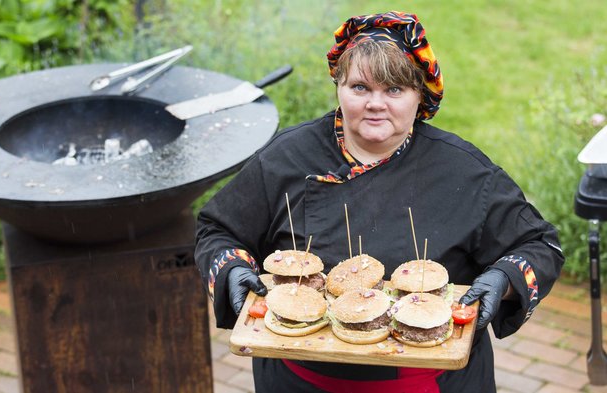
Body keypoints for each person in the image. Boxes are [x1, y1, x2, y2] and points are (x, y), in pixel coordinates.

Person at [195, 10, 564, 393]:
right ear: (338, 85)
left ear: (420, 95)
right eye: (360, 88)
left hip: (432, 382)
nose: (376, 103)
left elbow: (541, 245)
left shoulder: (464, 171)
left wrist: (502, 279)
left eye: (394, 90)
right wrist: (232, 271)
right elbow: (217, 231)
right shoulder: (285, 158)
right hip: (299, 381)